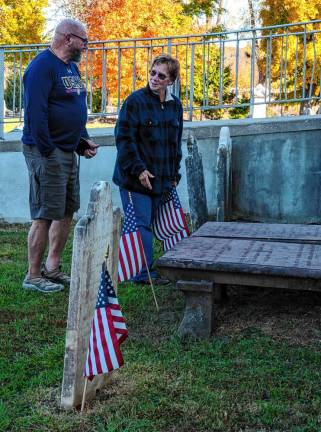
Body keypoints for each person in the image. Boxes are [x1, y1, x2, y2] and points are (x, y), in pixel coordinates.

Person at [22, 19, 99, 293]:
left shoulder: (71, 68)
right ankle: (33, 275)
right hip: (46, 151)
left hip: (66, 151)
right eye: (84, 40)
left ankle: (52, 268)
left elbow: (72, 108)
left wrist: (80, 142)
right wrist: (48, 151)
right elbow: (35, 114)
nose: (86, 46)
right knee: (45, 213)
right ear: (68, 39)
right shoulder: (41, 67)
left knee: (66, 210)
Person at [113, 54, 183, 284]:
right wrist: (139, 170)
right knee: (140, 225)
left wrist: (175, 175)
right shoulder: (134, 101)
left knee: (157, 224)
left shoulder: (175, 106)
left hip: (162, 178)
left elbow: (175, 143)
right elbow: (124, 139)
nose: (154, 78)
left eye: (161, 76)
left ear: (171, 80)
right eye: (153, 72)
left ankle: (151, 267)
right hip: (135, 178)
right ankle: (143, 274)